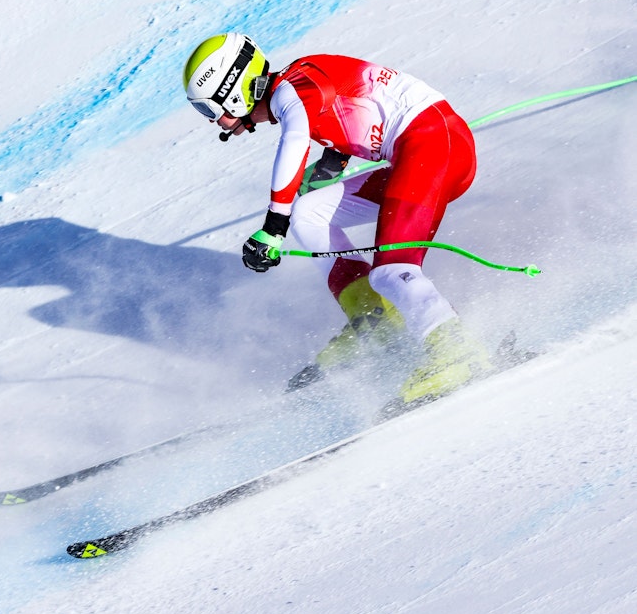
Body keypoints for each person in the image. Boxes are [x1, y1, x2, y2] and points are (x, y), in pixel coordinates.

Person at [182, 32, 494, 409]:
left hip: (432, 144)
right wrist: (331, 163)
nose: (217, 122)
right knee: (309, 212)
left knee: (392, 269)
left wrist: (273, 227)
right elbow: (350, 116)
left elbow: (294, 142)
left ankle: (456, 351)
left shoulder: (291, 93)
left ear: (235, 91)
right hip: (428, 145)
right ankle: (376, 320)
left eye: (210, 109)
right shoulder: (301, 84)